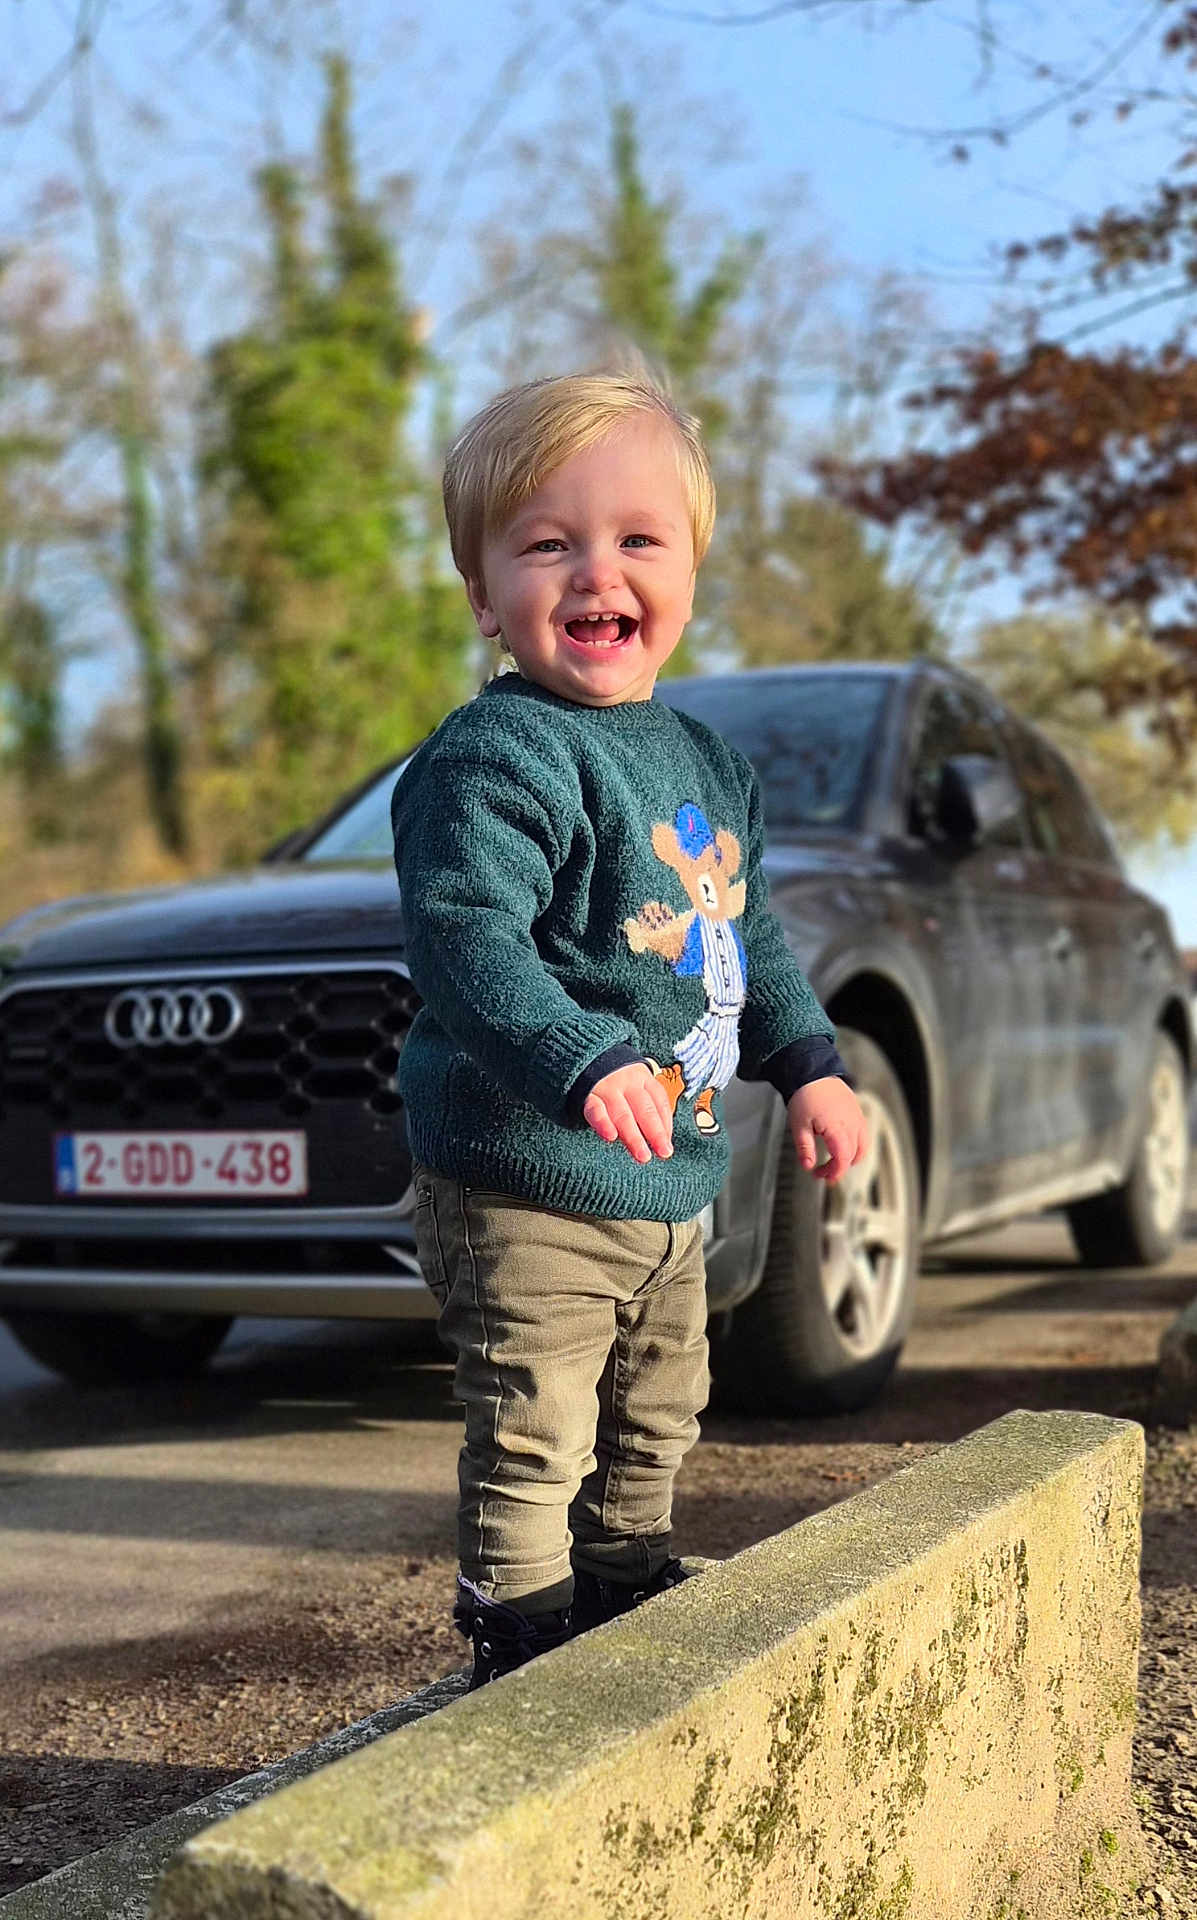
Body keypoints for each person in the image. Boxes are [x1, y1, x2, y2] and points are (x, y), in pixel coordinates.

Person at [391, 367, 867, 1688]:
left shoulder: (707, 767)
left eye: (635, 539)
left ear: (688, 571)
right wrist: (578, 1054)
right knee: (535, 1416)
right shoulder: (499, 757)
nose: (594, 570)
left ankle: (618, 1579)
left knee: (660, 1403)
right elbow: (464, 934)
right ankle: (520, 1633)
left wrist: (811, 1065)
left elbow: (746, 942)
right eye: (547, 544)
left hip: (668, 1180)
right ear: (487, 596)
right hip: (522, 1176)